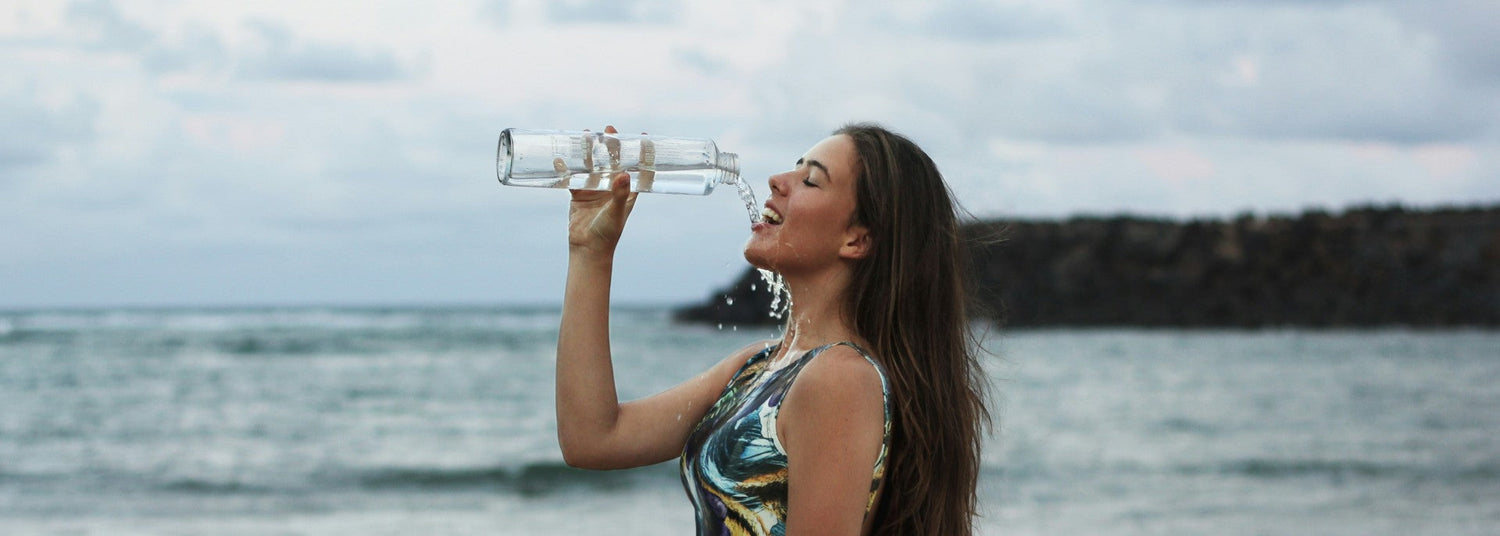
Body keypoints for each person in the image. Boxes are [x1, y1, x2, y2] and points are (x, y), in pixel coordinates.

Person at [555, 123, 989, 535]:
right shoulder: (761, 366)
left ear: (856, 240)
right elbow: (594, 439)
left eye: (811, 181)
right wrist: (591, 249)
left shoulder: (840, 377)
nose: (778, 180)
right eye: (794, 168)